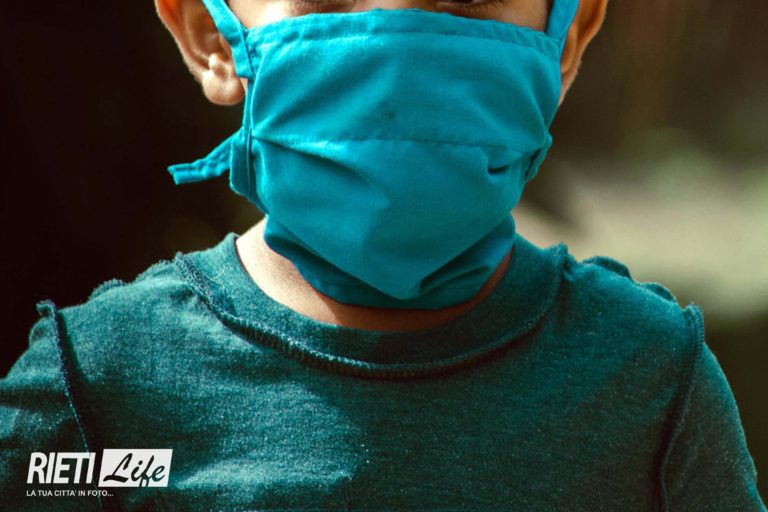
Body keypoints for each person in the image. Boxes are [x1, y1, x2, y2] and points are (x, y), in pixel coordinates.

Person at [1, 0, 765, 510]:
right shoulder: (97, 393)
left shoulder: (652, 387)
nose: (396, 41)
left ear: (563, 39)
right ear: (210, 36)